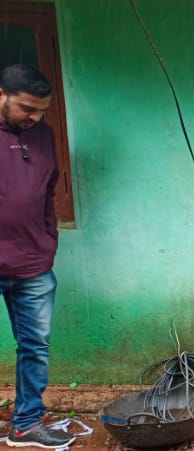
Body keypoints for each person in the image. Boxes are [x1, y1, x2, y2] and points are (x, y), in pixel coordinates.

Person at [0, 64, 76, 448]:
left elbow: (48, 190)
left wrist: (48, 240)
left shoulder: (43, 135)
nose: (35, 117)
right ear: (2, 95)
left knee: (35, 345)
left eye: (42, 110)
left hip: (32, 264)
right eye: (27, 108)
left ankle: (26, 423)